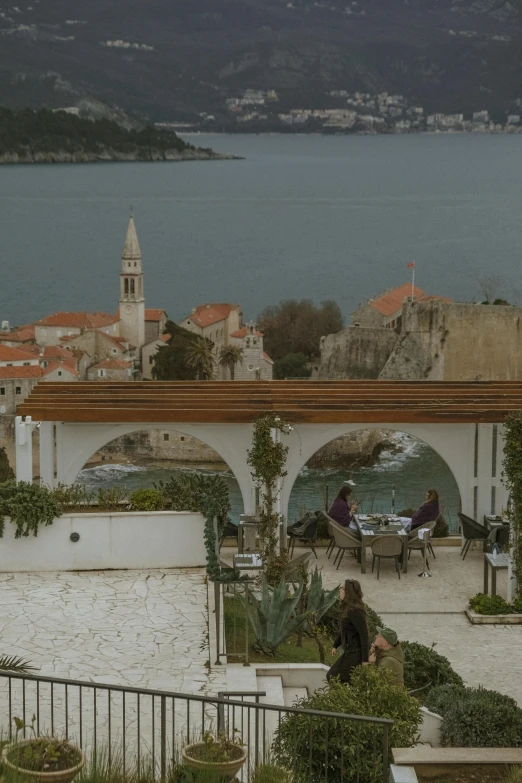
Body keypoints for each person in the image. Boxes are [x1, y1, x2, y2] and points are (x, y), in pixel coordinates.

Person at [327, 579, 369, 684]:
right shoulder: (347, 609)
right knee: (344, 679)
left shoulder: (355, 611)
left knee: (332, 676)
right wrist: (335, 645)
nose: (340, 590)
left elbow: (364, 636)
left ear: (348, 593)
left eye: (343, 589)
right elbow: (344, 629)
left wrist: (365, 660)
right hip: (350, 651)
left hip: (355, 652)